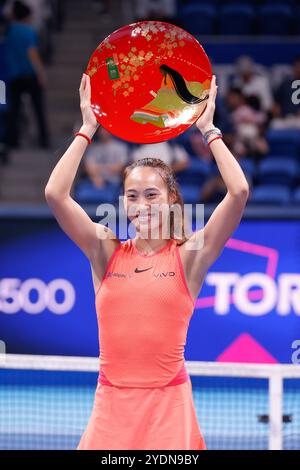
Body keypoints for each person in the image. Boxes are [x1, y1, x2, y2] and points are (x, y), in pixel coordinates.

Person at [45, 73, 249, 450]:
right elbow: (55, 195)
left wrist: (210, 130)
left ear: (172, 198)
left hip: (168, 413)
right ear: (123, 203)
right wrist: (87, 129)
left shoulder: (190, 257)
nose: (141, 205)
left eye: (151, 194)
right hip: (111, 412)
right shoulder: (104, 250)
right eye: (132, 196)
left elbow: (238, 192)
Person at [3, 0, 49, 158]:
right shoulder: (28, 31)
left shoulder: (9, 31)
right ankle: (44, 140)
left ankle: (12, 140)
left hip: (14, 75)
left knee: (14, 110)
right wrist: (41, 73)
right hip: (29, 75)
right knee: (38, 109)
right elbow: (32, 54)